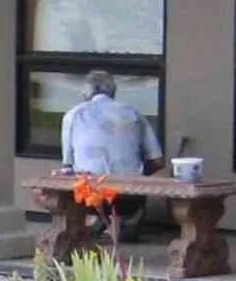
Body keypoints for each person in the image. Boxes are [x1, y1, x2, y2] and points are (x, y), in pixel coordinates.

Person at [58, 69, 164, 240]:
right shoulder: (133, 113)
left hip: (89, 197)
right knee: (136, 178)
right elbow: (158, 161)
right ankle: (124, 222)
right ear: (113, 92)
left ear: (86, 93)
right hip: (129, 198)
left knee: (74, 178)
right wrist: (137, 174)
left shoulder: (74, 115)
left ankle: (98, 223)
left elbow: (67, 166)